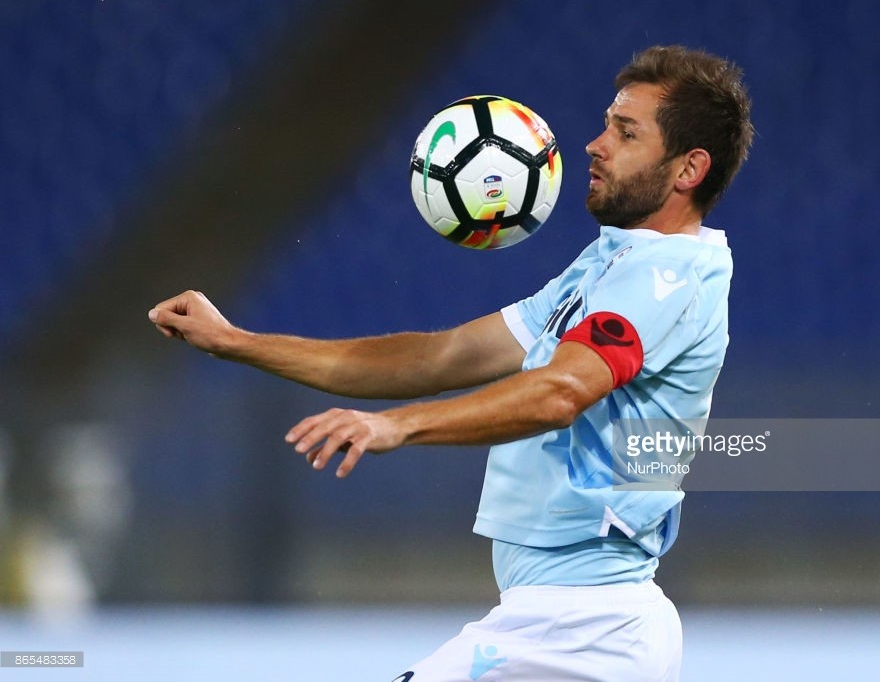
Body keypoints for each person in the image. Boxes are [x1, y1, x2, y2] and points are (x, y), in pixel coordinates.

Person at [149, 44, 753, 681]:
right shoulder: (608, 267)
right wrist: (236, 341)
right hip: (567, 621)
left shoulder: (668, 273)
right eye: (606, 123)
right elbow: (441, 355)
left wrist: (397, 426)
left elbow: (560, 393)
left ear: (689, 170)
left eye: (625, 133)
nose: (594, 145)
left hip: (583, 627)